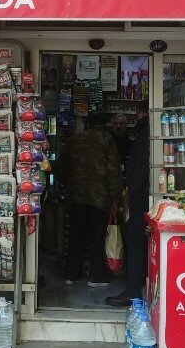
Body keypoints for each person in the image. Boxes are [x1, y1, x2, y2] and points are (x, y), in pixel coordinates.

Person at [60, 112, 123, 287]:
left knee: (75, 235)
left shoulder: (74, 140)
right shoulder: (107, 140)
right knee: (97, 236)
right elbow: (112, 171)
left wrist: (70, 185)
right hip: (99, 196)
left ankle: (71, 275)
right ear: (103, 125)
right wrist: (116, 196)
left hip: (76, 195)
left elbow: (61, 166)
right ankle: (96, 276)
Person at [107, 101, 150, 307]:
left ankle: (133, 292)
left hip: (141, 197)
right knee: (141, 240)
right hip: (147, 195)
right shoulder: (149, 132)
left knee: (135, 239)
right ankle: (140, 287)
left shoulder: (144, 135)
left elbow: (141, 167)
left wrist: (131, 192)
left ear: (141, 113)